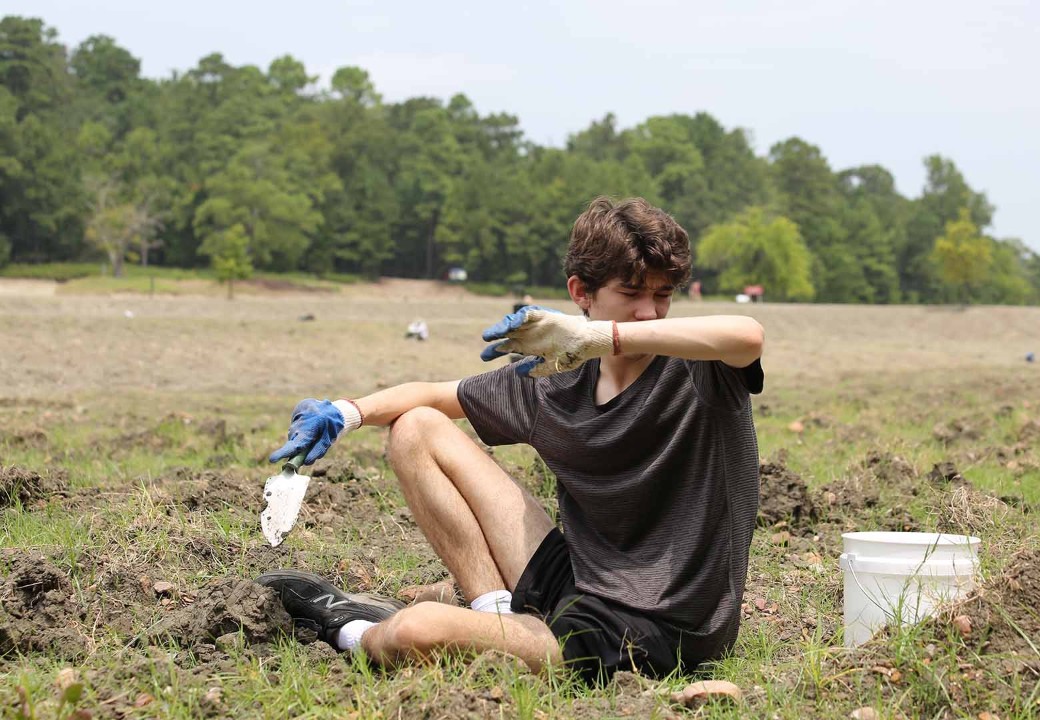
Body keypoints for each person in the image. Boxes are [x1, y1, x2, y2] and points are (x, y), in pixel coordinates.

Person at [256, 196, 766, 685]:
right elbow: (435, 395)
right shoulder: (557, 377)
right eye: (631, 295)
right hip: (580, 583)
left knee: (417, 629)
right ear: (580, 293)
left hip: (654, 630)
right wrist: (346, 413)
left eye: (662, 295)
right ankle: (495, 615)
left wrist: (605, 336)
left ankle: (349, 629)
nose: (650, 313)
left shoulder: (702, 373)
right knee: (415, 427)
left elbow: (746, 336)